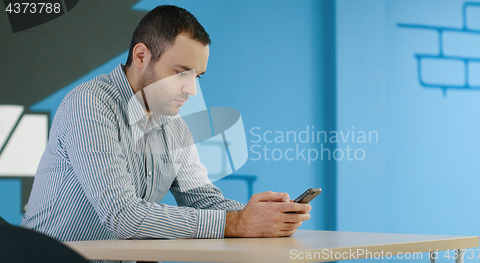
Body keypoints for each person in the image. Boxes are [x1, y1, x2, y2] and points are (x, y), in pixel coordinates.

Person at [21, 5, 311, 249]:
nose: (191, 90)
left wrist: (261, 216)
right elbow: (123, 216)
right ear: (141, 56)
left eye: (197, 76)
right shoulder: (89, 105)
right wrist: (238, 223)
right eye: (180, 72)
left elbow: (204, 201)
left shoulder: (174, 127)